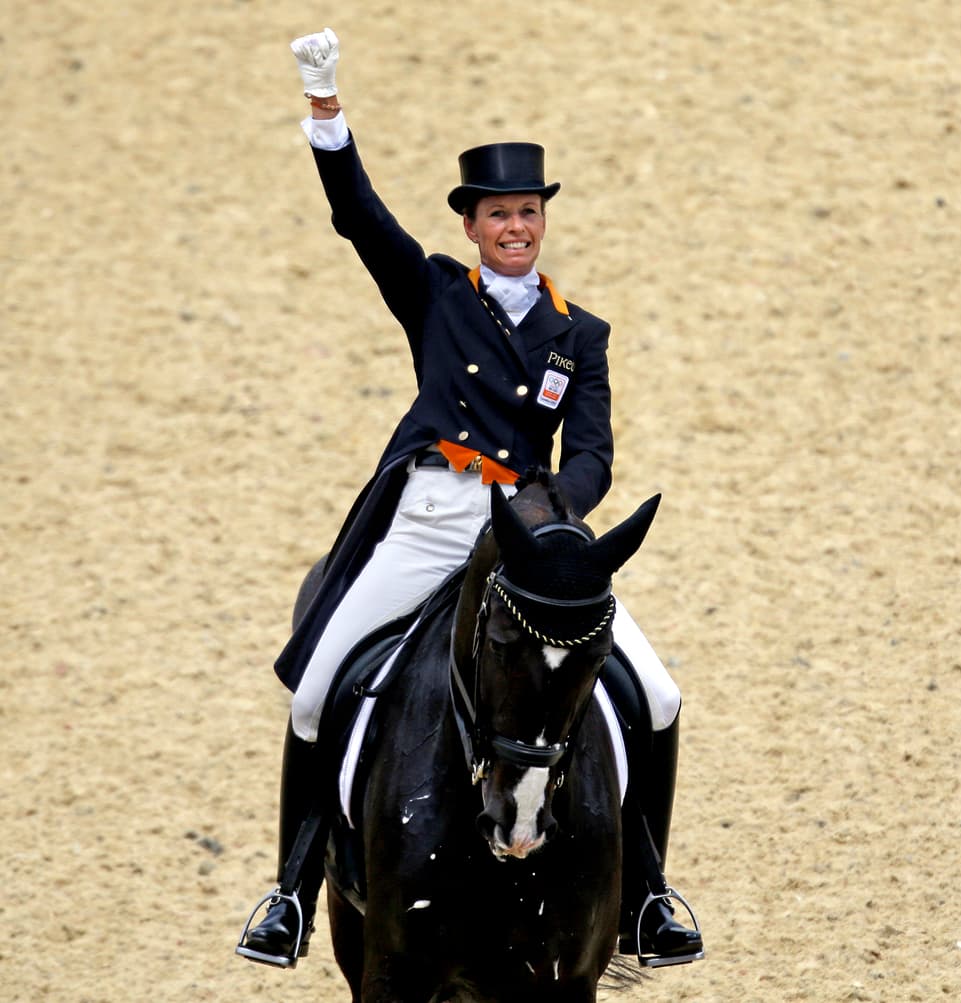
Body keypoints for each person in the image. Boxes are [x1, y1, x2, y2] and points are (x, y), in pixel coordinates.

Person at [236, 27, 703, 971]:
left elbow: (597, 454)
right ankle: (288, 889)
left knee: (655, 693)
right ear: (472, 226)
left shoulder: (583, 335)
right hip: (430, 516)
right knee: (318, 690)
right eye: (499, 215)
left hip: (528, 532)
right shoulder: (439, 297)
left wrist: (551, 513)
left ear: (542, 219)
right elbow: (362, 221)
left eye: (528, 212)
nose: (516, 228)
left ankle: (648, 897)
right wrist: (327, 113)